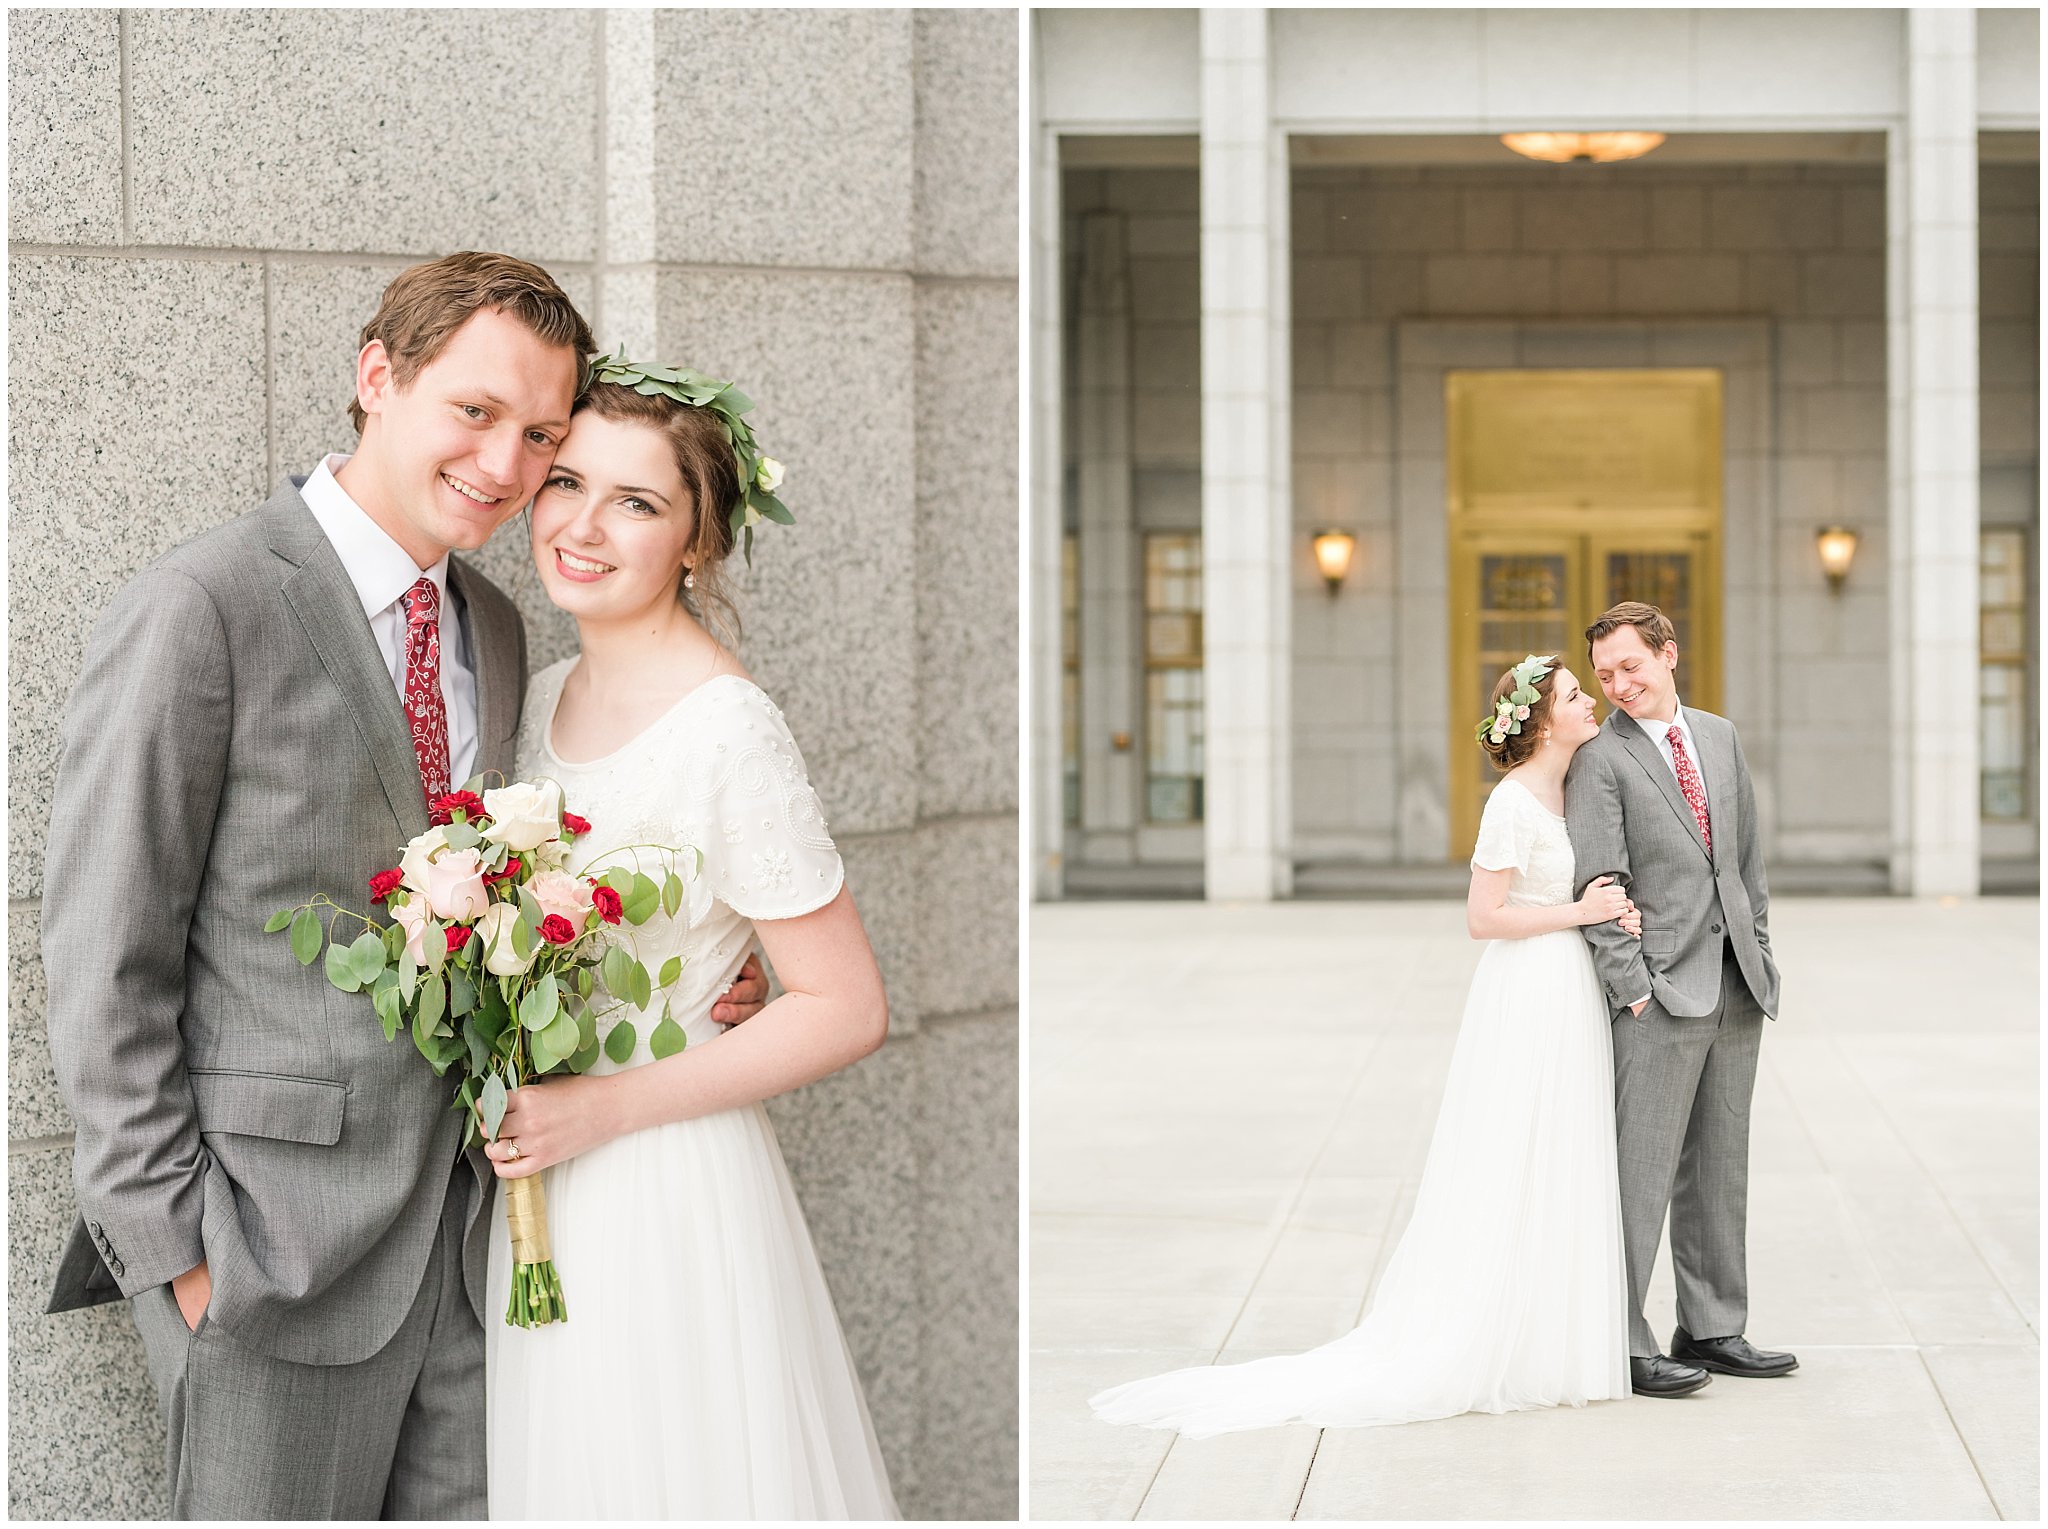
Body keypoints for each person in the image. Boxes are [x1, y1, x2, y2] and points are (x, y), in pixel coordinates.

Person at [42, 252, 767, 1519]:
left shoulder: (493, 619)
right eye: (476, 413)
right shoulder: (201, 607)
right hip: (273, 1254)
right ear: (378, 377)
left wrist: (693, 973)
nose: (506, 465)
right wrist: (182, 1259)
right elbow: (107, 952)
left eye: (539, 432)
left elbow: (524, 894)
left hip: (480, 1241)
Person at [476, 359, 900, 1518]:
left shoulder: (727, 728)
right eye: (566, 482)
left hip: (660, 1179)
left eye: (638, 503)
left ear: (697, 542)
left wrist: (602, 1107)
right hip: (539, 1177)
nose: (583, 525)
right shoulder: (541, 685)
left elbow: (845, 1001)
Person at [1090, 656, 1635, 1436]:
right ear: (1542, 720)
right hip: (1527, 990)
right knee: (1513, 1151)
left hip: (1570, 986)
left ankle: (1551, 1337)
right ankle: (1493, 1334)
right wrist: (1578, 913)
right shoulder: (1511, 803)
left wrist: (1607, 913)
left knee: (1561, 1153)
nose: (1592, 701)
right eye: (1577, 694)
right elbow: (1483, 917)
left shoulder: (1575, 788)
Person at [1567, 601, 1796, 1397]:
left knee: (1720, 1165)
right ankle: (1621, 1338)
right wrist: (1634, 992)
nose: (1618, 684)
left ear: (1669, 652)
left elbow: (1745, 861)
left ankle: (1711, 1324)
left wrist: (1760, 950)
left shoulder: (1721, 735)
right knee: (1641, 1173)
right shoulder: (1600, 758)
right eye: (1603, 675)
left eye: (1630, 665)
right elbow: (1598, 882)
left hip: (1736, 982)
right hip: (1660, 994)